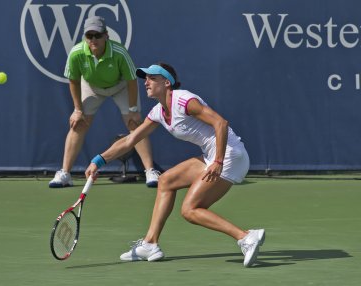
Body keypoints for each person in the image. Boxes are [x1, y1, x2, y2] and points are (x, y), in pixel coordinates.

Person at [85, 62, 265, 267]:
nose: (146, 83)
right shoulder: (159, 112)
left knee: (190, 210)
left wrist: (218, 161)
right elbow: (130, 140)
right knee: (166, 181)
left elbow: (221, 123)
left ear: (167, 82)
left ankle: (246, 237)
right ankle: (150, 243)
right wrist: (98, 161)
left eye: (152, 78)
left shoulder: (184, 101)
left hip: (229, 155)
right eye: (145, 79)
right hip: (211, 155)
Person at [49, 16, 160, 188]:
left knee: (135, 124)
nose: (93, 39)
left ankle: (150, 172)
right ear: (85, 37)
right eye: (89, 35)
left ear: (106, 35)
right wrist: (77, 109)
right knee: (78, 123)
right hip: (91, 87)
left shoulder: (119, 52)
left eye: (97, 35)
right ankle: (65, 174)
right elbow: (74, 81)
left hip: (120, 85)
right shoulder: (77, 53)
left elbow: (131, 80)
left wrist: (132, 109)